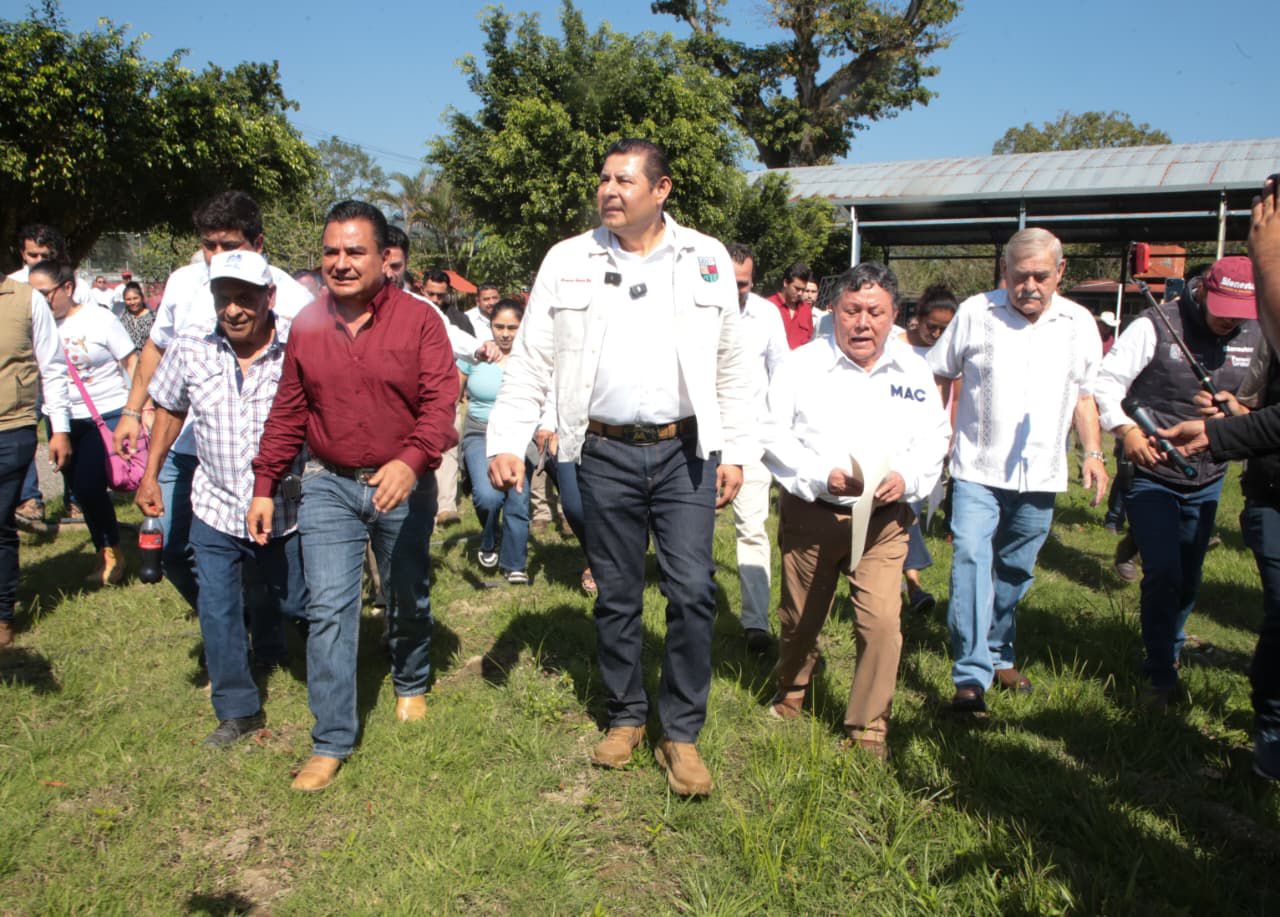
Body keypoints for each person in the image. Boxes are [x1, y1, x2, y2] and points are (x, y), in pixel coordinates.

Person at [486, 138, 752, 797]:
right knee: (617, 592)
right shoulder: (568, 260)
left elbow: (733, 364)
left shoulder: (706, 258)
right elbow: (531, 361)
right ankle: (627, 713)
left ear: (660, 190)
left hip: (686, 450)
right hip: (601, 451)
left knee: (692, 590)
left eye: (624, 180)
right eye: (603, 179)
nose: (608, 190)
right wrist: (507, 438)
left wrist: (737, 448)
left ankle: (681, 731)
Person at [248, 200, 459, 792]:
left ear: (385, 258)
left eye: (355, 252)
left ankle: (411, 679)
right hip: (328, 485)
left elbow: (441, 403)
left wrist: (411, 460)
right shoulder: (307, 326)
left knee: (406, 594)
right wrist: (265, 484)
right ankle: (331, 739)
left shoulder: (420, 322)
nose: (341, 264)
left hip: (402, 485)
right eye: (331, 252)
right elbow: (289, 411)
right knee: (329, 608)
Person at [761, 262, 950, 758]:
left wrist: (907, 478)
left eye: (876, 312)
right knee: (800, 618)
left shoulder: (913, 370)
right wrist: (822, 476)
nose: (863, 323)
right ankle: (794, 688)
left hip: (885, 522)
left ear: (893, 317)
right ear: (835, 311)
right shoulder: (800, 365)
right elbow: (773, 434)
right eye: (852, 311)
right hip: (812, 511)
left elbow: (934, 437)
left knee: (882, 622)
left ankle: (868, 727)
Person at [928, 227, 1109, 713]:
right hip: (977, 470)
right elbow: (940, 373)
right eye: (1019, 275)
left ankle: (998, 649)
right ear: (1003, 271)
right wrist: (934, 438)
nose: (1029, 285)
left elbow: (1085, 395)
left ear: (1061, 272)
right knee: (969, 554)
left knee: (1015, 570)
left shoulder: (1079, 323)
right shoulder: (974, 312)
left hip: (1042, 475)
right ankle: (971, 675)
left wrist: (1093, 453)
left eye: (1040, 276)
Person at [136, 251, 308, 747]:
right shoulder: (192, 345)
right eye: (223, 298)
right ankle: (238, 709)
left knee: (298, 599)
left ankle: (312, 665)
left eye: (244, 299)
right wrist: (150, 476)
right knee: (217, 607)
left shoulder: (300, 343)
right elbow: (169, 406)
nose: (232, 310)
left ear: (268, 298)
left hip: (285, 507)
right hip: (213, 502)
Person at [112, 191, 314, 613]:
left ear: (258, 244)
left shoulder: (294, 300)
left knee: (264, 561)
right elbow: (157, 346)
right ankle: (228, 621)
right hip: (183, 439)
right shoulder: (185, 282)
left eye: (229, 245)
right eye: (209, 245)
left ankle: (252, 630)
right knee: (170, 548)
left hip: (257, 457)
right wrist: (133, 410)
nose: (215, 255)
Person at [1094, 255, 1259, 708]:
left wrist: (1238, 412)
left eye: (1241, 316)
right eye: (1223, 309)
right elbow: (1106, 382)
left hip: (1208, 475)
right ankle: (1160, 671)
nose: (1230, 322)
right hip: (1151, 469)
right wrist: (1126, 431)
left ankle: (1173, 639)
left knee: (1188, 575)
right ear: (1204, 289)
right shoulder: (1154, 325)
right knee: (1163, 572)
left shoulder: (1261, 334)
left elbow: (1265, 405)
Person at [28, 261, 137, 586]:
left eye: (45, 293)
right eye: (33, 295)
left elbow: (130, 361)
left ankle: (131, 548)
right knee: (83, 490)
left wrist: (138, 408)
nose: (40, 301)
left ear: (67, 288)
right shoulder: (33, 325)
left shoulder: (99, 318)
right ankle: (107, 549)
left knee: (107, 484)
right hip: (62, 418)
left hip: (106, 414)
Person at [0, 271, 71, 648]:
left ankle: (2, 616)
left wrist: (58, 428)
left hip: (11, 428)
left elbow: (53, 366)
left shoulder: (26, 300)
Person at [728, 242, 789, 652]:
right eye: (729, 283)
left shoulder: (766, 315)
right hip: (697, 441)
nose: (736, 292)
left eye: (744, 284)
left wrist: (776, 432)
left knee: (752, 529)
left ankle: (755, 625)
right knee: (688, 534)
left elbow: (782, 375)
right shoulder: (691, 309)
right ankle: (688, 613)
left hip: (750, 440)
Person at [459, 299, 533, 584]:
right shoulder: (478, 354)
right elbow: (453, 391)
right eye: (499, 326)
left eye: (512, 327)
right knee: (488, 496)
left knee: (517, 495)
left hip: (516, 435)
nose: (505, 333)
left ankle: (515, 563)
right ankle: (490, 538)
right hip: (480, 432)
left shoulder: (530, 359)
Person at [900, 284, 957, 613]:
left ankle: (910, 585)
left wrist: (947, 435)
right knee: (905, 514)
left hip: (927, 445)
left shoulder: (948, 353)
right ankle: (912, 584)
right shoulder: (896, 346)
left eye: (943, 328)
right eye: (931, 325)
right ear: (917, 318)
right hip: (894, 442)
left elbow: (954, 396)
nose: (936, 333)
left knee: (912, 512)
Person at [769, 262, 815, 349]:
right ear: (786, 283)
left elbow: (810, 341)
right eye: (797, 288)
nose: (800, 293)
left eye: (803, 289)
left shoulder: (806, 310)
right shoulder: (768, 306)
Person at [117, 281, 154, 351]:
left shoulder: (153, 317)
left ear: (142, 298)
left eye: (135, 298)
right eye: (128, 299)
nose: (132, 302)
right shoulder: (121, 318)